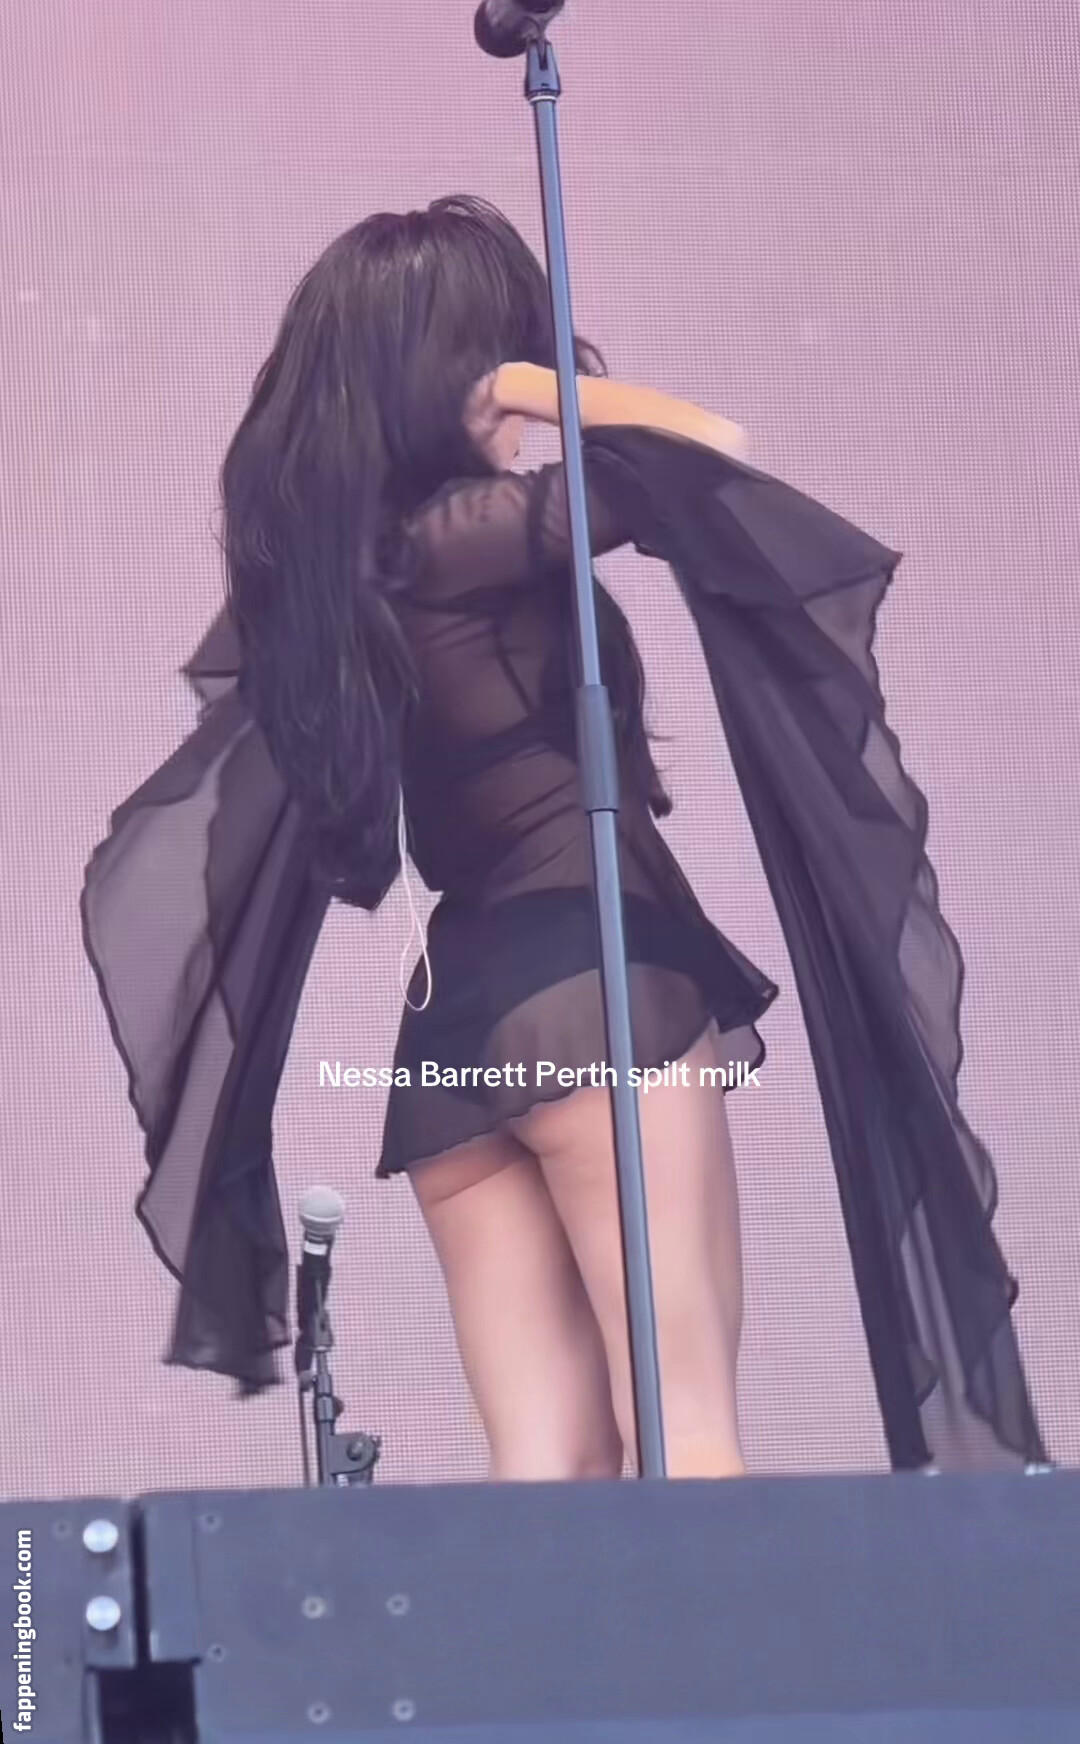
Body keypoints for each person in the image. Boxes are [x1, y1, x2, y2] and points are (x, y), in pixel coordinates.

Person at [82, 195, 1048, 1481]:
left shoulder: (347, 576)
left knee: (545, 1475)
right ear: (445, 369)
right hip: (597, 993)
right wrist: (535, 386)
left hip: (453, 1037)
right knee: (686, 1430)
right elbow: (698, 448)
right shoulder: (464, 537)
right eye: (495, 346)